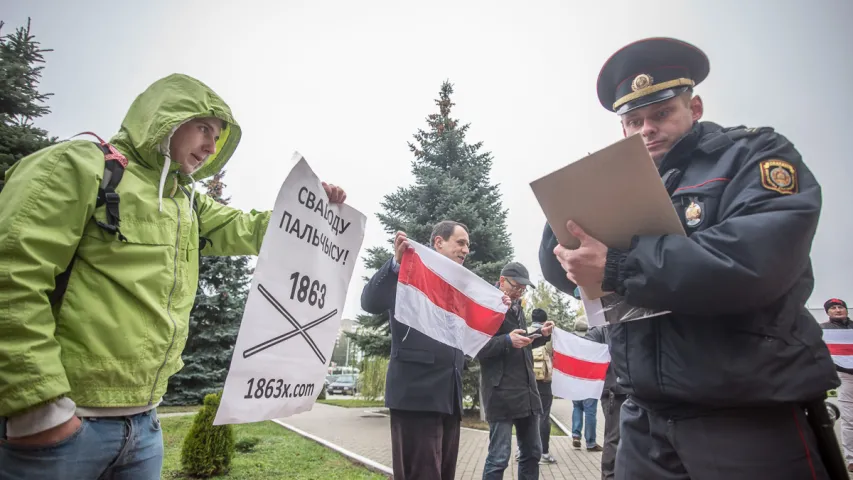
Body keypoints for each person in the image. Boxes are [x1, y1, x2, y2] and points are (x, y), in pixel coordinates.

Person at [0, 73, 347, 479]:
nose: (211, 147)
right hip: (62, 429)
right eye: (203, 128)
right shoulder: (77, 166)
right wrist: (39, 410)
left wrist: (309, 210)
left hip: (145, 428)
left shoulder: (187, 203)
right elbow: (12, 279)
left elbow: (249, 228)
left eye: (217, 137)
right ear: (165, 120)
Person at [539, 37, 839, 479]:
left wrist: (620, 265)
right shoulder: (619, 178)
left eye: (661, 113)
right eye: (634, 120)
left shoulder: (753, 155)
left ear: (694, 108)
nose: (647, 129)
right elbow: (562, 264)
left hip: (745, 420)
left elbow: (753, 262)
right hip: (644, 422)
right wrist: (577, 208)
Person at [361, 221, 478, 480]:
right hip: (416, 394)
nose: (466, 250)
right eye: (460, 242)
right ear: (438, 242)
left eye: (468, 245)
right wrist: (395, 265)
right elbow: (370, 301)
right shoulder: (409, 271)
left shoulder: (458, 285)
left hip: (448, 395)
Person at [477, 262, 555, 480]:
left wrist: (541, 334)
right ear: (502, 281)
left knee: (532, 453)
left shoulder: (517, 307)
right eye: (516, 286)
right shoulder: (487, 306)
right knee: (499, 457)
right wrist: (506, 341)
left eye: (523, 288)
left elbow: (521, 345)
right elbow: (476, 348)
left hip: (527, 394)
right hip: (500, 393)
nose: (520, 291)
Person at [585, 323, 626, 480]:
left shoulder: (630, 323)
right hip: (614, 393)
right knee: (614, 439)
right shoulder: (601, 330)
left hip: (636, 390)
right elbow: (585, 346)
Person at [819, 298, 853, 471]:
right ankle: (851, 458)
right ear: (828, 312)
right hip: (845, 376)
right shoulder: (822, 330)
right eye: (833, 308)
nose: (838, 310)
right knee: (849, 419)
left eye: (840, 307)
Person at [569, 318, 602, 453]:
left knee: (577, 407)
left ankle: (576, 435)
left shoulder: (571, 343)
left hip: (575, 380)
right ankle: (591, 442)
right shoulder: (593, 342)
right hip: (590, 381)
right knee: (590, 412)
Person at [530, 308, 558, 464]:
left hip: (527, 381)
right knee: (543, 416)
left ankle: (523, 451)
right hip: (544, 381)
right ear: (544, 320)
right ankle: (544, 453)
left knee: (526, 416)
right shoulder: (549, 334)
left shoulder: (525, 331)